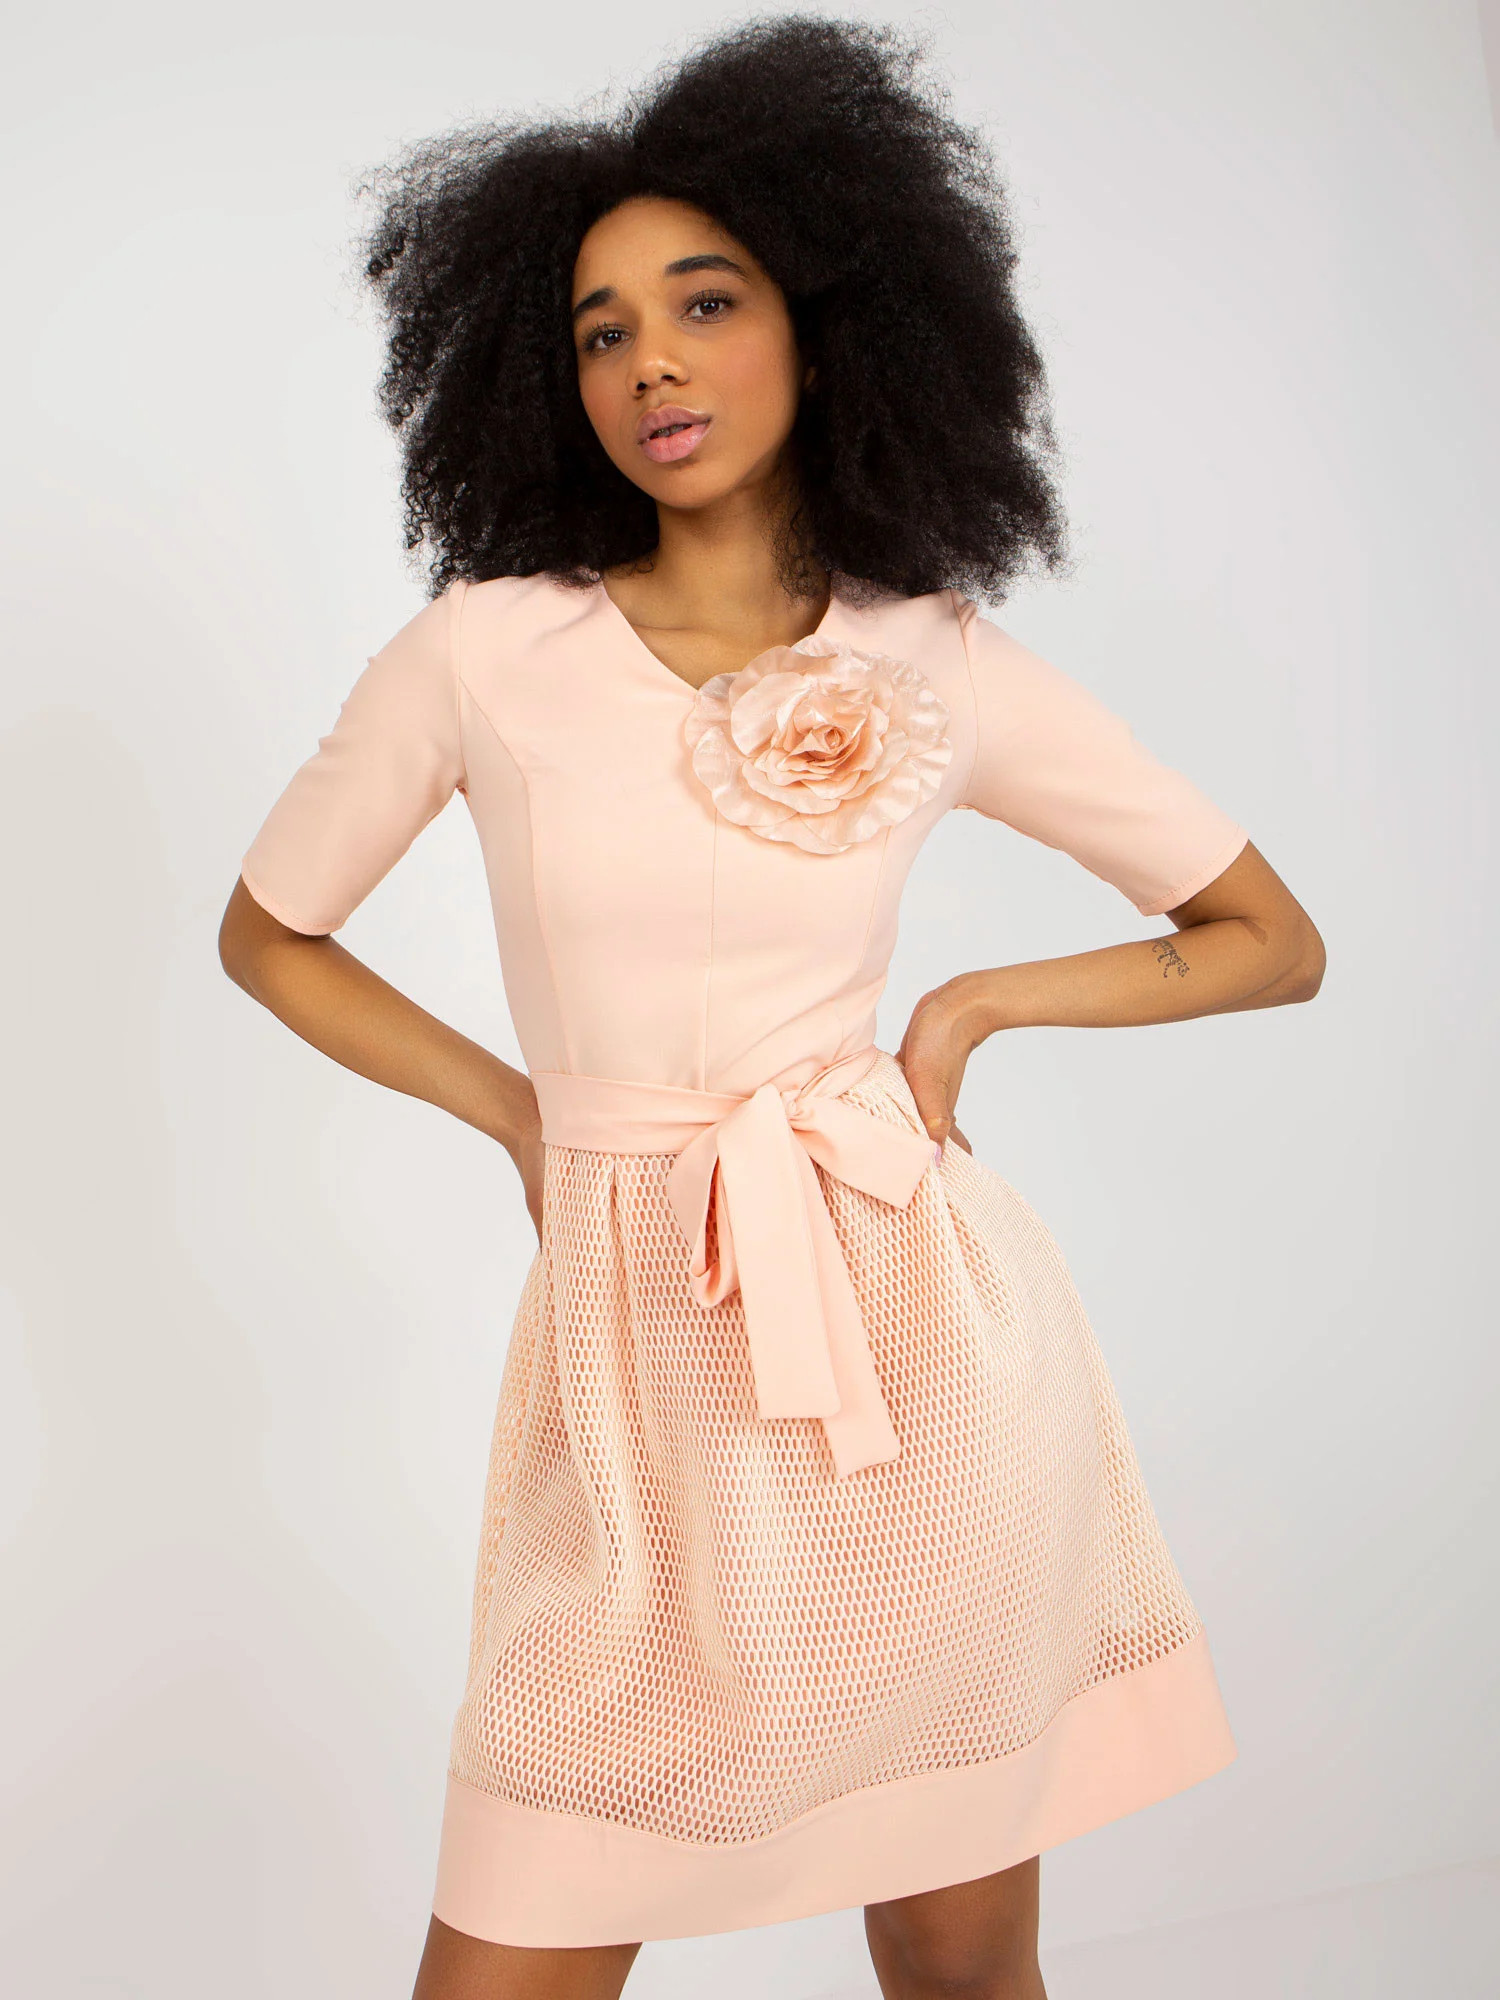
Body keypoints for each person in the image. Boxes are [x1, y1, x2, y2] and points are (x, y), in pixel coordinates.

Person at [218, 17, 1325, 2000]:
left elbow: (1266, 932)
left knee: (960, 1970)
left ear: (828, 323)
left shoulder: (935, 659)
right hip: (632, 1388)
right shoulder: (485, 653)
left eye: (704, 303)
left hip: (918, 1361)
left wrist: (972, 1010)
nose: (650, 362)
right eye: (601, 331)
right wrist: (521, 1112)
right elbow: (271, 932)